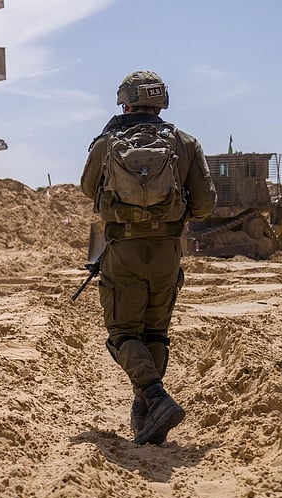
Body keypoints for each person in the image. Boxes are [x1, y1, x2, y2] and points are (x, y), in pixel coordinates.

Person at [80, 70, 217, 445]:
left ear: (125, 102)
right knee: (155, 333)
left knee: (123, 334)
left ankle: (155, 399)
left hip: (123, 251)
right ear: (161, 103)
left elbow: (87, 188)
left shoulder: (108, 142)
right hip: (167, 252)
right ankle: (145, 413)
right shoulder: (185, 142)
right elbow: (205, 205)